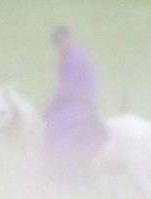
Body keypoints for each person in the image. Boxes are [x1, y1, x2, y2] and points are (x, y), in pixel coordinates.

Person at [43, 25, 107, 180]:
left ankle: (69, 168)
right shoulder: (68, 55)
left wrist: (50, 109)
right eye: (57, 43)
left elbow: (67, 89)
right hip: (74, 101)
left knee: (56, 127)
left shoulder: (74, 56)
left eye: (61, 41)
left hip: (80, 103)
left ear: (67, 39)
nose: (59, 45)